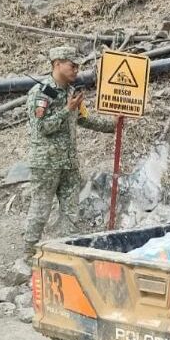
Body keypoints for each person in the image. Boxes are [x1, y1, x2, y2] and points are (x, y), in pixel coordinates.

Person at [23, 46, 116, 260]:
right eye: (72, 65)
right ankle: (29, 254)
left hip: (69, 163)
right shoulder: (41, 93)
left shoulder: (70, 92)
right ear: (57, 64)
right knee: (41, 209)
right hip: (46, 163)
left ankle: (67, 253)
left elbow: (83, 119)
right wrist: (67, 110)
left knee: (71, 211)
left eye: (78, 66)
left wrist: (113, 126)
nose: (76, 70)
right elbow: (41, 128)